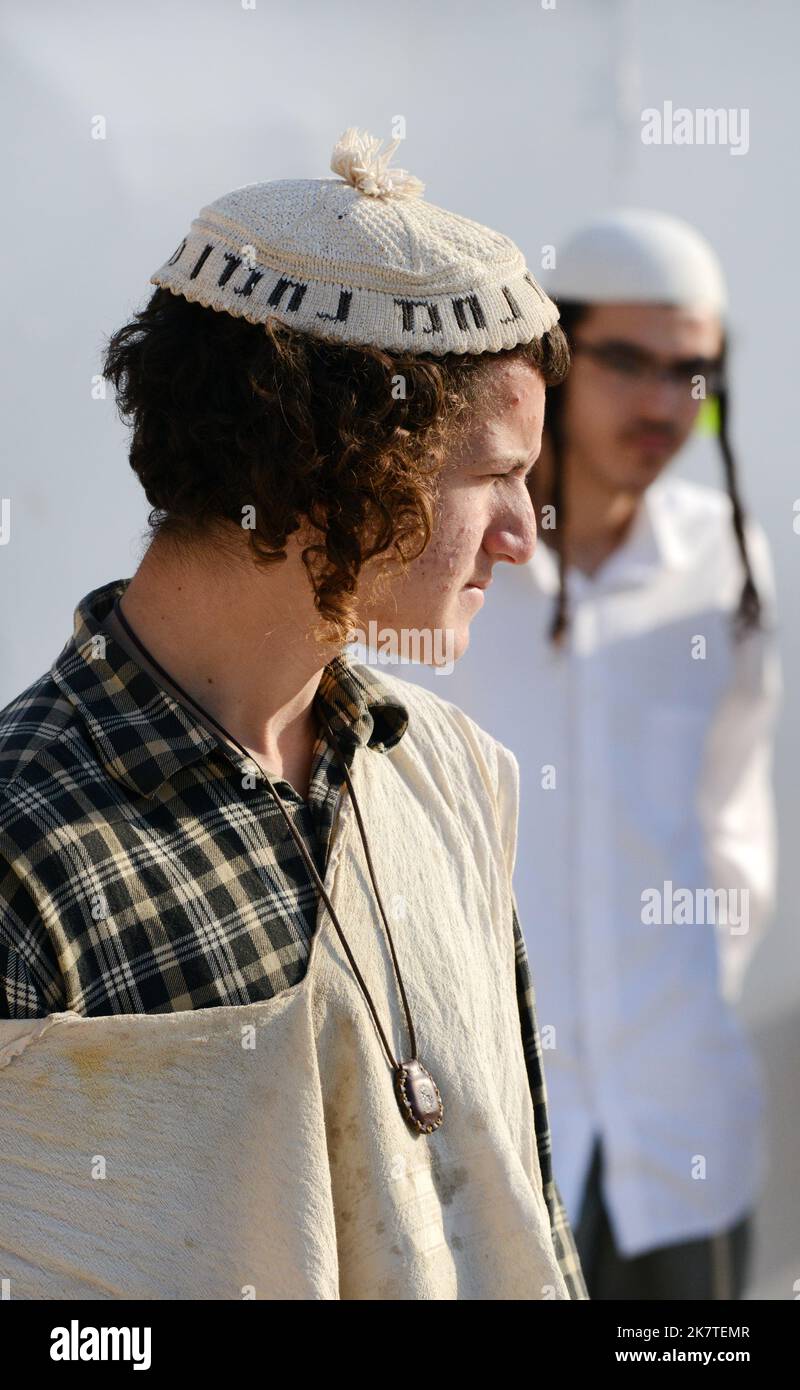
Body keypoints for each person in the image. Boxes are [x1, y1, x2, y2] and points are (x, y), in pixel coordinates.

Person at [0, 128, 588, 1300]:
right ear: (341, 460)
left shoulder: (448, 771)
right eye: (493, 476)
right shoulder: (29, 850)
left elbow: (520, 1210)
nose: (525, 534)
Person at [387, 209, 782, 1299]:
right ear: (558, 361)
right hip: (487, 1142)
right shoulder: (444, 563)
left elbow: (733, 833)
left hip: (677, 1138)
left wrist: (681, 1003)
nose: (663, 403)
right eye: (629, 362)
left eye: (690, 373)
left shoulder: (724, 566)